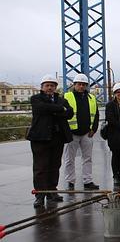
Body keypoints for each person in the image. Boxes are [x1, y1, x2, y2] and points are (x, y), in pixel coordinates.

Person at [27, 74, 74, 208]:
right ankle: (40, 195)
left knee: (54, 165)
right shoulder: (36, 99)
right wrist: (59, 109)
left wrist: (57, 110)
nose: (50, 88)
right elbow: (41, 108)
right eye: (47, 85)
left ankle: (52, 191)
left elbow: (70, 113)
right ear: (42, 87)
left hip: (57, 137)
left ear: (55, 87)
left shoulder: (61, 99)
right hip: (40, 138)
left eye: (52, 85)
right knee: (40, 167)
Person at [62, 73, 100, 190]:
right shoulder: (67, 96)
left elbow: (96, 114)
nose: (82, 86)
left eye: (84, 84)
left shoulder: (92, 98)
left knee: (87, 158)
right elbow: (62, 114)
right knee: (69, 159)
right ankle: (70, 182)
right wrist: (66, 131)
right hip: (72, 133)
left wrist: (94, 129)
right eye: (79, 84)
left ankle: (87, 181)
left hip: (86, 133)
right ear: (74, 85)